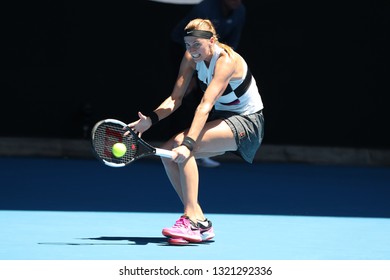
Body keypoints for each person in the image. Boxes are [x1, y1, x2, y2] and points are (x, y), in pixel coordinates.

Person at [126, 18, 264, 243]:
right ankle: (200, 221)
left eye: (196, 44)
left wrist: (188, 144)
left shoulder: (226, 61)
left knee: (182, 147)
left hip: (248, 123)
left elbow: (205, 105)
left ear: (211, 40)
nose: (191, 50)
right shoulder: (191, 57)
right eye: (187, 44)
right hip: (224, 119)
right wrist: (150, 120)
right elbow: (175, 99)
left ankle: (190, 220)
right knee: (168, 153)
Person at [171, 0, 247, 168]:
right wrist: (190, 74)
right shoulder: (204, 8)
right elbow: (187, 41)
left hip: (212, 58)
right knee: (188, 100)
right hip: (183, 52)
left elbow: (233, 42)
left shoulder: (240, 11)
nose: (237, 1)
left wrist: (220, 67)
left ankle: (193, 146)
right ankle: (189, 145)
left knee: (207, 102)